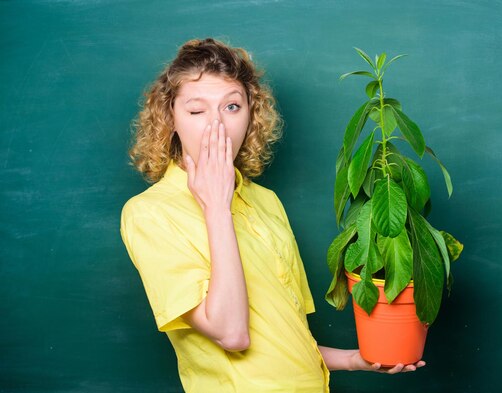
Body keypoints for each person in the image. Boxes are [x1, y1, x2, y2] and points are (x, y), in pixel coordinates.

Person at [120, 37, 425, 392]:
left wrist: (354, 360)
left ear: (252, 115)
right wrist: (216, 208)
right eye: (196, 110)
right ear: (170, 118)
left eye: (232, 107)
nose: (216, 126)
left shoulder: (265, 201)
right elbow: (232, 334)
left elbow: (283, 338)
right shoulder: (149, 213)